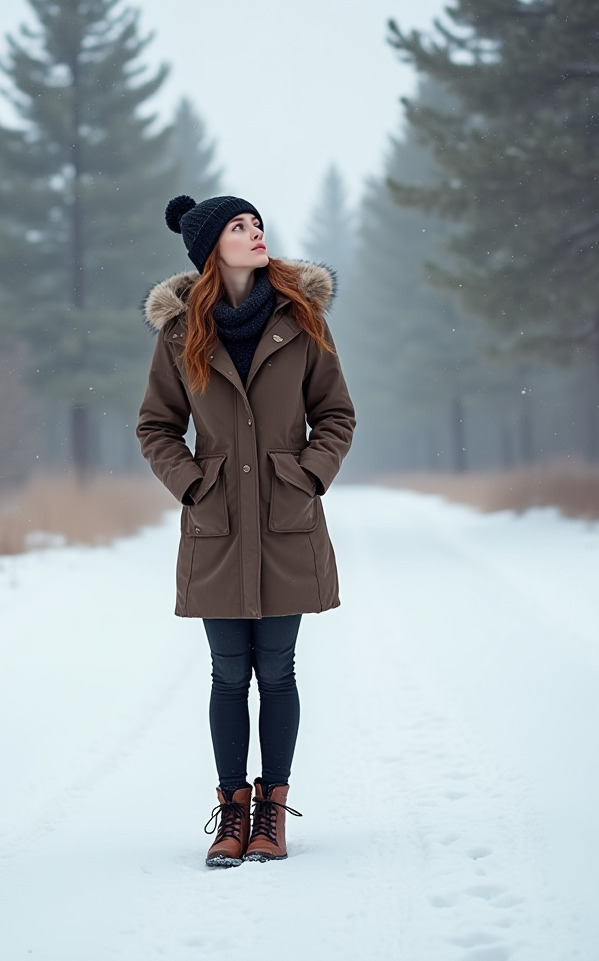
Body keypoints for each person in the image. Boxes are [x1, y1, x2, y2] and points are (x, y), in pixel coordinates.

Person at [137, 194, 355, 867]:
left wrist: (307, 475)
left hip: (286, 521)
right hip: (218, 524)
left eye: (258, 225)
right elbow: (156, 428)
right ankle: (232, 811)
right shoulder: (180, 336)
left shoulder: (303, 320)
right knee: (229, 675)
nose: (255, 234)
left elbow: (337, 415)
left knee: (279, 671)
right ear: (211, 249)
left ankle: (271, 814)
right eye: (239, 227)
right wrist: (196, 484)